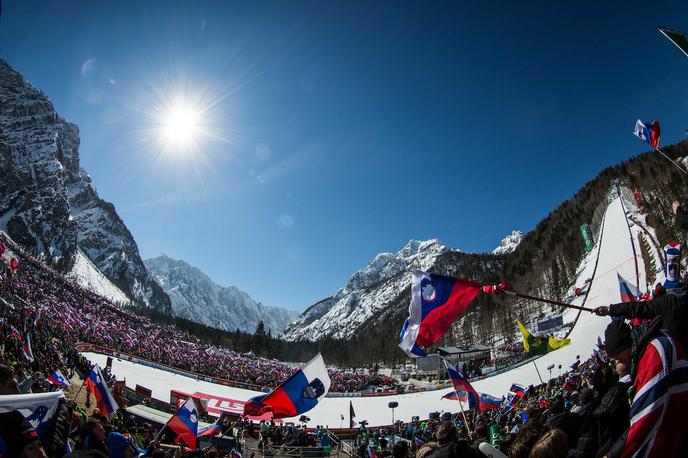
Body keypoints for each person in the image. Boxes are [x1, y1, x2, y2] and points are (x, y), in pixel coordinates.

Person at [603, 318, 688, 457]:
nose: (615, 361)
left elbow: (642, 424)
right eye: (612, 357)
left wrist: (611, 455)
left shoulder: (653, 354)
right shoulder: (644, 351)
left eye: (617, 355)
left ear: (626, 346)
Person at [593, 289, 688, 351]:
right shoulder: (670, 303)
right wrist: (611, 310)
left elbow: (639, 308)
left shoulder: (670, 302)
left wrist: (611, 310)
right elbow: (639, 308)